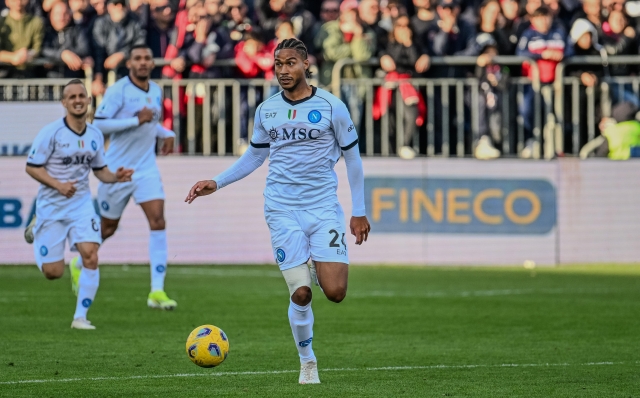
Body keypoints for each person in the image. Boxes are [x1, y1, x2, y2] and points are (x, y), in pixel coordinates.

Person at [185, 37, 370, 385]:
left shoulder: (333, 106)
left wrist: (358, 211)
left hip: (323, 208)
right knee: (301, 293)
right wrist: (217, 181)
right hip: (282, 209)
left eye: (290, 63)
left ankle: (315, 261)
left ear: (305, 65)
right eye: (278, 64)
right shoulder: (267, 110)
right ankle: (307, 361)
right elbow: (256, 155)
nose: (283, 70)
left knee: (336, 293)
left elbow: (353, 158)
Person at [25, 79, 133, 330]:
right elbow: (32, 167)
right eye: (71, 97)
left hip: (81, 205)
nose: (77, 100)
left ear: (88, 100)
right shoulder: (51, 132)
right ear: (64, 103)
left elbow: (100, 171)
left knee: (91, 255)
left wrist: (116, 176)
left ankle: (80, 317)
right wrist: (58, 185)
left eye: (81, 96)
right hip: (51, 207)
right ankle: (37, 225)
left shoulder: (95, 134)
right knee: (53, 273)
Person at [89, 45, 178, 310]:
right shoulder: (118, 91)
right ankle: (80, 257)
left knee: (158, 220)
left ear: (152, 63)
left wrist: (166, 134)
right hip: (117, 170)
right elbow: (99, 123)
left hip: (146, 168)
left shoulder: (155, 90)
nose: (142, 62)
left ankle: (157, 291)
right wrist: (134, 121)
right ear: (129, 63)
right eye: (137, 58)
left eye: (147, 58)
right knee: (107, 228)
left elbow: (151, 124)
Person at [91, 0, 146, 96]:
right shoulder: (100, 23)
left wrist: (122, 55)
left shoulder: (136, 22)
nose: (120, 7)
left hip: (131, 78)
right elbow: (98, 52)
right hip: (106, 79)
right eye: (116, 4)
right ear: (109, 7)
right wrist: (98, 79)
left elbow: (140, 46)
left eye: (123, 4)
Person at [42, 1, 93, 78]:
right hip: (49, 84)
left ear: (70, 15)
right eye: (57, 14)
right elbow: (43, 49)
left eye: (65, 13)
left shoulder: (77, 30)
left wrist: (68, 54)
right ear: (50, 15)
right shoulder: (46, 31)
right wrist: (62, 54)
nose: (61, 17)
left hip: (73, 82)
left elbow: (84, 49)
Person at [0, 0, 44, 77]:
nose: (18, 2)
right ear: (7, 2)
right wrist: (12, 57)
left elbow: (37, 48)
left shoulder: (36, 22)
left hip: (29, 72)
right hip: (5, 73)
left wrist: (27, 54)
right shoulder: (2, 22)